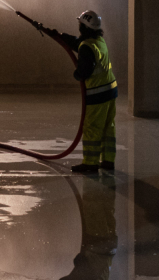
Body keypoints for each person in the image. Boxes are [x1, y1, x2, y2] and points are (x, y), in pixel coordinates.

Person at [38, 10, 118, 174]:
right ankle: (108, 160)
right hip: (110, 90)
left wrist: (76, 75)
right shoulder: (98, 41)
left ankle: (90, 163)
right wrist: (59, 35)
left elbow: (84, 70)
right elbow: (77, 43)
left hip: (98, 94)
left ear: (84, 26)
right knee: (108, 127)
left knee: (92, 127)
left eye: (80, 24)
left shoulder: (87, 47)